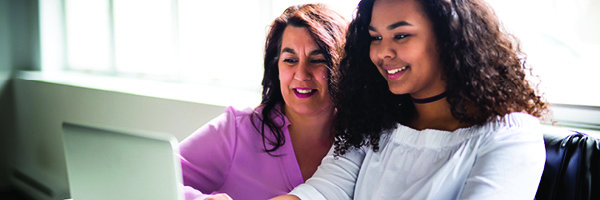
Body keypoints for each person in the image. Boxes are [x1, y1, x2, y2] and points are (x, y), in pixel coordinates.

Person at [272, 0, 549, 199]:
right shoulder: (372, 123)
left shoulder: (509, 135)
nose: (382, 53)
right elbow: (321, 191)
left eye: (401, 35)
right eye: (376, 37)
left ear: (449, 36)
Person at [177, 3, 347, 200]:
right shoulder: (237, 131)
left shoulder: (361, 140)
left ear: (341, 65)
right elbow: (152, 177)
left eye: (317, 60)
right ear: (276, 68)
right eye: (290, 60)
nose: (301, 74)